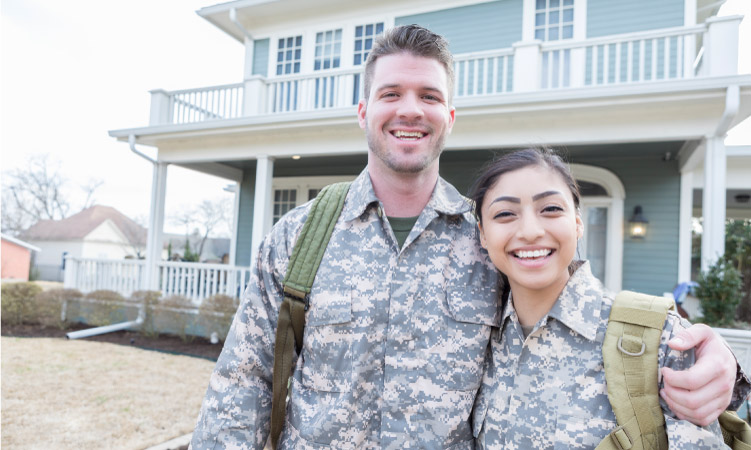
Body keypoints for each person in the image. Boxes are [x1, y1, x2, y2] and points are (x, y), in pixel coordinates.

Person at [190, 25, 745, 449]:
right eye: (391, 94)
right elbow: (242, 386)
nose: (411, 109)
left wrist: (714, 359)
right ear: (363, 111)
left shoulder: (488, 239)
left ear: (449, 116)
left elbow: (574, 315)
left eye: (429, 96)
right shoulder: (300, 235)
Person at [469, 148, 747, 448]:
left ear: (577, 223)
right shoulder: (475, 337)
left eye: (550, 209)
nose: (530, 231)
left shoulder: (657, 341)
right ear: (483, 234)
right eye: (505, 214)